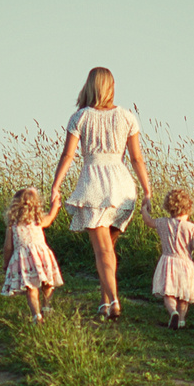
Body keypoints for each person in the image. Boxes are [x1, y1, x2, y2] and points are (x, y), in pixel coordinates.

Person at [46, 66, 152, 321]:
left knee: (102, 250)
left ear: (89, 86)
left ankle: (113, 300)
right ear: (111, 87)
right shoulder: (127, 117)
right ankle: (105, 302)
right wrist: (147, 190)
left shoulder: (80, 117)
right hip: (122, 186)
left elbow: (68, 155)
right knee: (109, 249)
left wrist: (56, 185)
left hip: (94, 185)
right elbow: (136, 159)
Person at [142, 189, 194, 329]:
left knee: (168, 293)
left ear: (169, 207)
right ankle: (181, 320)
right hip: (186, 265)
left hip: (168, 262)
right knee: (183, 296)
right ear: (189, 208)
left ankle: (172, 312)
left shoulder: (163, 222)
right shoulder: (192, 228)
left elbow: (149, 221)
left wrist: (144, 210)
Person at [1, 187, 64, 320]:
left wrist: (6, 263)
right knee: (47, 283)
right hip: (42, 256)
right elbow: (50, 217)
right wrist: (55, 205)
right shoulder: (38, 220)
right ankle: (46, 306)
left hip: (24, 260)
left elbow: (8, 247)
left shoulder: (13, 225)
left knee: (31, 287)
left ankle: (36, 315)